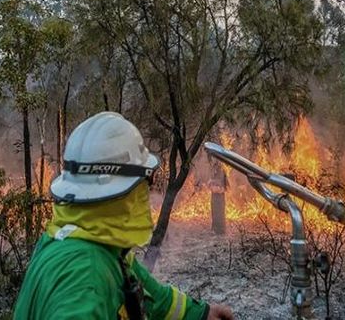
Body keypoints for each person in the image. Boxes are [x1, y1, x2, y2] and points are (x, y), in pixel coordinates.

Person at [13, 111, 235, 320]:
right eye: (146, 181)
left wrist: (200, 314)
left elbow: (151, 294)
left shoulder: (91, 242)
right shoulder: (85, 275)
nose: (147, 191)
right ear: (127, 188)